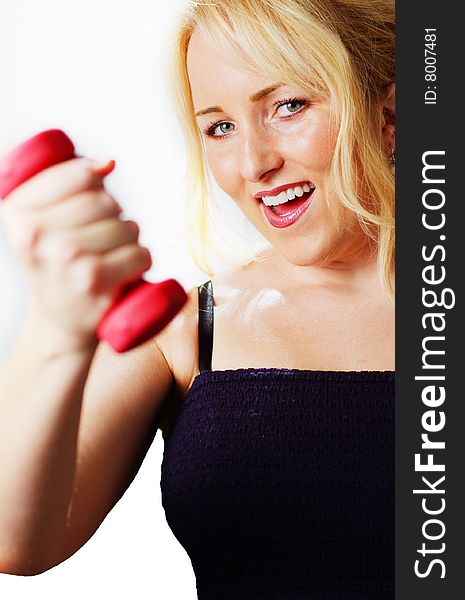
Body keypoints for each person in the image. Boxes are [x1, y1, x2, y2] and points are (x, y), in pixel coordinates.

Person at [0, 0, 395, 597]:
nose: (252, 163)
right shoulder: (186, 328)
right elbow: (15, 542)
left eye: (288, 106)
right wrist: (55, 327)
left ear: (391, 113)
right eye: (220, 127)